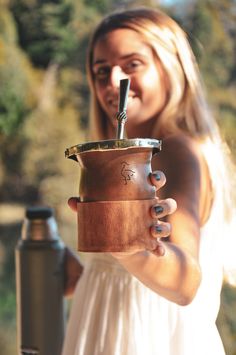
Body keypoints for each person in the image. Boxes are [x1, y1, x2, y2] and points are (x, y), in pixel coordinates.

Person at [62, 7, 236, 355]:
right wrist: (82, 275)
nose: (113, 81)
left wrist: (115, 234)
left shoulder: (175, 150)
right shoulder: (147, 158)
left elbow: (184, 283)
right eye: (101, 71)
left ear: (169, 67)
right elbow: (130, 280)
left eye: (132, 65)